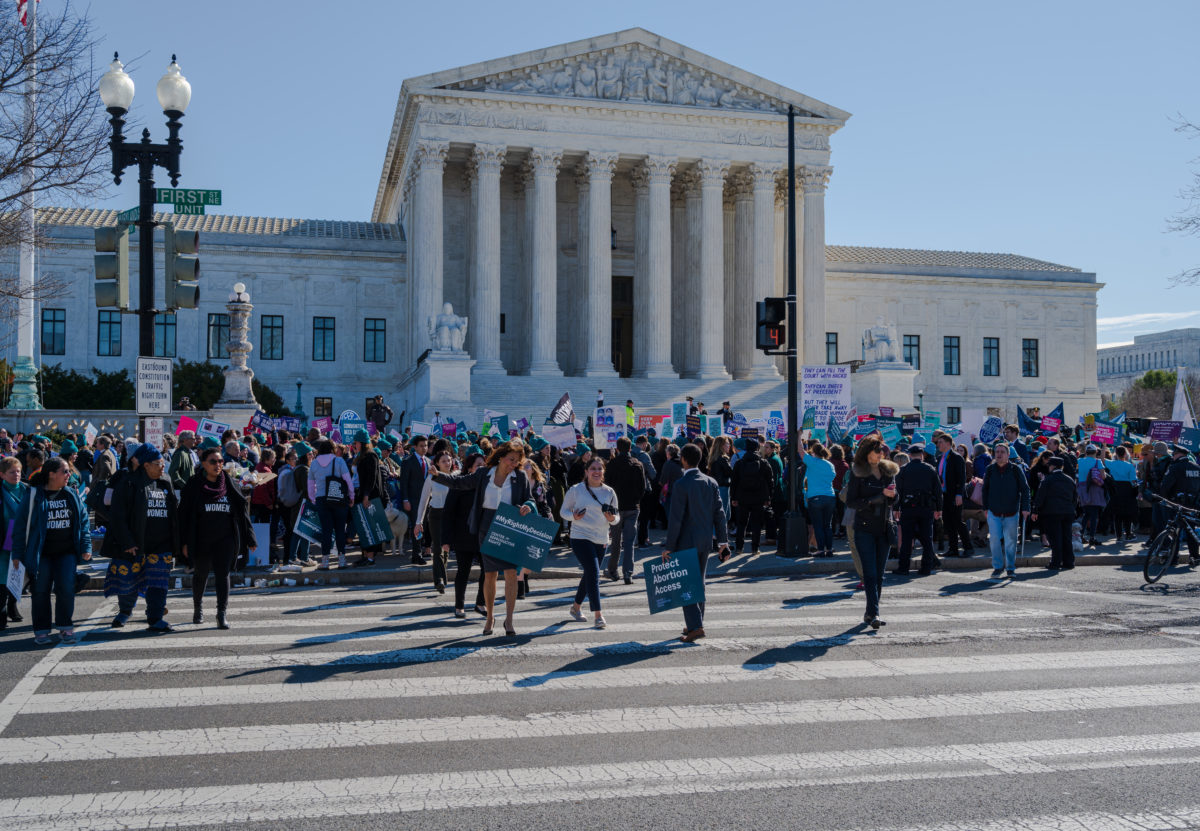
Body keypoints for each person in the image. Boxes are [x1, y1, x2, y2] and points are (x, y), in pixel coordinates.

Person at [433, 440, 536, 637]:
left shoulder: (520, 477)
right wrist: (438, 476)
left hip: (509, 524)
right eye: (511, 459)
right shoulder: (483, 474)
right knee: (489, 574)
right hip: (487, 525)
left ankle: (509, 619)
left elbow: (529, 498)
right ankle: (490, 617)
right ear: (501, 456)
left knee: (511, 574)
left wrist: (528, 506)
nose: (514, 464)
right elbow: (460, 483)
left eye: (517, 461)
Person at [102, 442, 179, 631]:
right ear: (146, 465)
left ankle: (155, 618)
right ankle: (125, 611)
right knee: (128, 582)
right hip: (135, 544)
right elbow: (117, 516)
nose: (163, 466)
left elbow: (174, 510)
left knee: (158, 583)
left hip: (161, 544)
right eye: (159, 463)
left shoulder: (165, 481)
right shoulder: (128, 482)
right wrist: (127, 541)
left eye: (163, 463)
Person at [13, 457, 91, 644]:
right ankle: (41, 630)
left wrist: (86, 547)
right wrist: (17, 554)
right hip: (41, 555)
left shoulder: (71, 494)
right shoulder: (33, 495)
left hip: (66, 553)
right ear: (51, 474)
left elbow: (84, 521)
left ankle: (65, 628)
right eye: (65, 471)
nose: (68, 475)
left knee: (66, 590)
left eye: (68, 471)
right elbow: (19, 527)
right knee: (40, 591)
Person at [180, 446, 256, 629]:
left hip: (225, 538)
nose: (218, 465)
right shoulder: (194, 484)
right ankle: (198, 608)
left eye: (220, 461)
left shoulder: (229, 482)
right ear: (204, 464)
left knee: (223, 574)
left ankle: (221, 613)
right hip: (201, 539)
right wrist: (184, 541)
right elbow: (183, 514)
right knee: (201, 574)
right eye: (213, 461)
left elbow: (241, 511)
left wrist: (250, 537)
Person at [662, 443, 729, 642]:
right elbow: (720, 513)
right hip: (705, 540)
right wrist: (723, 541)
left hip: (685, 541)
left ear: (683, 459)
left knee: (686, 585)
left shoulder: (681, 484)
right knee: (699, 583)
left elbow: (676, 520)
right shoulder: (710, 482)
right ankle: (696, 622)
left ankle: (695, 626)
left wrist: (669, 547)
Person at [844, 436, 898, 629]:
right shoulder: (858, 472)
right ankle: (874, 612)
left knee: (880, 574)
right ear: (867, 453)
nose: (881, 453)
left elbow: (893, 499)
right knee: (870, 572)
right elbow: (851, 501)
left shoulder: (888, 471)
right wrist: (878, 497)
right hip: (864, 527)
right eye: (877, 450)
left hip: (884, 526)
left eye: (882, 450)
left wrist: (893, 496)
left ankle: (870, 611)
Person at [563, 456, 620, 628]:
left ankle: (575, 607)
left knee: (589, 573)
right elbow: (563, 511)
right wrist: (573, 516)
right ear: (586, 471)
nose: (596, 472)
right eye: (593, 469)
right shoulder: (576, 490)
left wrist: (611, 518)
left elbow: (616, 517)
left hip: (601, 538)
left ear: (603, 472)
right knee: (594, 572)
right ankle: (598, 614)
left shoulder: (609, 492)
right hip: (580, 536)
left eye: (599, 469)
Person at [444, 452, 488, 618]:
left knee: (488, 570)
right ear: (470, 468)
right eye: (478, 465)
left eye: (484, 465)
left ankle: (480, 602)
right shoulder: (460, 485)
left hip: (483, 535)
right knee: (464, 571)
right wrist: (446, 539)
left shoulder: (489, 485)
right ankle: (459, 606)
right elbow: (448, 513)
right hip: (464, 534)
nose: (482, 469)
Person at [981, 443, 1031, 580]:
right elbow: (985, 490)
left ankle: (1010, 568)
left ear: (1008, 454)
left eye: (1002, 451)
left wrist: (1026, 508)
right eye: (997, 451)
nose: (999, 454)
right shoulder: (990, 469)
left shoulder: (1015, 469)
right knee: (995, 540)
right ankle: (998, 567)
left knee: (1011, 541)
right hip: (994, 511)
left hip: (1011, 512)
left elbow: (1025, 490)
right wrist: (985, 507)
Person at [893, 443, 942, 575]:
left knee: (907, 540)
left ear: (910, 455)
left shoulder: (903, 470)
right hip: (926, 508)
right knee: (927, 539)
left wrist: (896, 507)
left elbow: (898, 491)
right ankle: (926, 568)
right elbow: (937, 491)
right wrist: (938, 508)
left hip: (908, 508)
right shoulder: (930, 469)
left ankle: (903, 568)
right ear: (922, 455)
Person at [603, 436, 647, 584]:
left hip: (616, 507)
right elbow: (643, 488)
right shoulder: (637, 464)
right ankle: (628, 573)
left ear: (617, 448)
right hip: (633, 507)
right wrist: (637, 501)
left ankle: (613, 571)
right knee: (629, 542)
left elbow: (606, 487)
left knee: (615, 541)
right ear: (630, 448)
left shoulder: (611, 465)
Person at [307, 438, 354, 569]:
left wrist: (313, 498)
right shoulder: (339, 461)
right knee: (340, 530)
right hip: (338, 499)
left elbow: (310, 484)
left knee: (326, 531)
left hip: (322, 500)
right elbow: (348, 480)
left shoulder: (314, 463)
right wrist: (351, 496)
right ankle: (342, 560)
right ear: (333, 449)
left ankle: (325, 561)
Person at [415, 449, 454, 593]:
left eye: (449, 460)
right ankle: (439, 580)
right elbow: (424, 500)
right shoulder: (431, 478)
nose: (447, 463)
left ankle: (442, 576)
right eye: (443, 461)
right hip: (436, 515)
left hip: (450, 516)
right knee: (437, 548)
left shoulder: (456, 476)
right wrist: (418, 521)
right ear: (437, 463)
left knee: (446, 548)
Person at [1031, 456, 1079, 569]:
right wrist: (1071, 508)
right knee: (1066, 537)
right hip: (1068, 512)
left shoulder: (1047, 479)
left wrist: (1035, 510)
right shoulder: (1069, 479)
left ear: (1052, 466)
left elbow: (1040, 496)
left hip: (1052, 512)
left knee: (1055, 538)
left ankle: (1056, 562)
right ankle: (1069, 562)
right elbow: (1075, 497)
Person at [730, 438, 773, 555]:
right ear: (757, 448)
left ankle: (739, 547)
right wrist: (768, 498)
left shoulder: (739, 463)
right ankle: (755, 548)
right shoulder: (764, 463)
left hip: (742, 497)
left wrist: (733, 497)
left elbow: (734, 482)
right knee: (756, 524)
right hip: (758, 498)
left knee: (741, 523)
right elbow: (770, 481)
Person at [933, 432, 973, 556]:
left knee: (957, 521)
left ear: (948, 444)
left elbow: (961, 477)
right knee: (948, 522)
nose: (938, 444)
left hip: (955, 494)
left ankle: (968, 548)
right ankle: (953, 549)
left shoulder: (956, 457)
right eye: (938, 442)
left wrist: (959, 494)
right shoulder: (940, 457)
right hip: (944, 494)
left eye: (941, 442)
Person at [1, 456, 28, 629]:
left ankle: (13, 605)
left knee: (19, 575)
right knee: (3, 576)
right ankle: (2, 610)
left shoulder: (27, 490)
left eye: (18, 471)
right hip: (3, 539)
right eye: (12, 472)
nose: (16, 475)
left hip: (23, 539)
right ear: (2, 475)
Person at [399, 434, 430, 565]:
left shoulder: (428, 461)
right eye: (421, 446)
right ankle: (416, 555)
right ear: (415, 447)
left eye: (426, 446)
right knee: (417, 525)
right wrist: (405, 499)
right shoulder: (408, 461)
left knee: (424, 526)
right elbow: (404, 482)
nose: (424, 448)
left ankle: (421, 550)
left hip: (427, 499)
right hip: (414, 499)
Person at [803, 444, 838, 558]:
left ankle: (820, 550)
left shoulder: (812, 462)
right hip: (830, 496)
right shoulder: (830, 465)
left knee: (818, 525)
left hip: (815, 497)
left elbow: (800, 450)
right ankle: (829, 549)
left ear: (814, 452)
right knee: (827, 525)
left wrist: (798, 435)